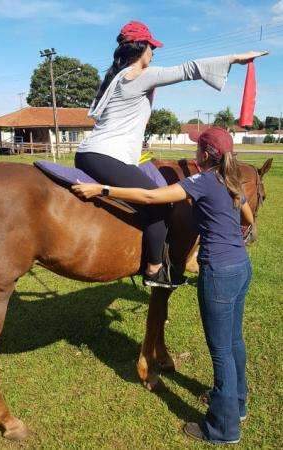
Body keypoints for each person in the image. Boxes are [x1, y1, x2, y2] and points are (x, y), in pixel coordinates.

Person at [73, 127, 254, 444]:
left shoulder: (200, 182)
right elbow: (248, 217)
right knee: (235, 341)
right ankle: (237, 404)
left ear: (204, 156)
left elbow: (149, 196)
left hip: (220, 276)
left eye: (198, 149)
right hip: (242, 268)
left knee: (221, 350)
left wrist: (101, 189)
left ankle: (224, 428)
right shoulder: (233, 183)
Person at [75, 19, 264, 288]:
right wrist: (235, 58)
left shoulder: (115, 78)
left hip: (91, 153)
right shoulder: (139, 75)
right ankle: (154, 268)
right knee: (161, 203)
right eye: (152, 48)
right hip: (105, 155)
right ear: (142, 48)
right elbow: (188, 69)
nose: (153, 53)